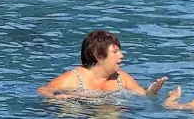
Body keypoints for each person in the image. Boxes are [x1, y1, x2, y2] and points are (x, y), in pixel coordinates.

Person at [39, 30, 167, 97]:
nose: (121, 56)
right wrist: (56, 98)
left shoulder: (121, 78)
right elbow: (43, 91)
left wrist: (151, 92)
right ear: (98, 55)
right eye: (115, 52)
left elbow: (142, 94)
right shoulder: (73, 79)